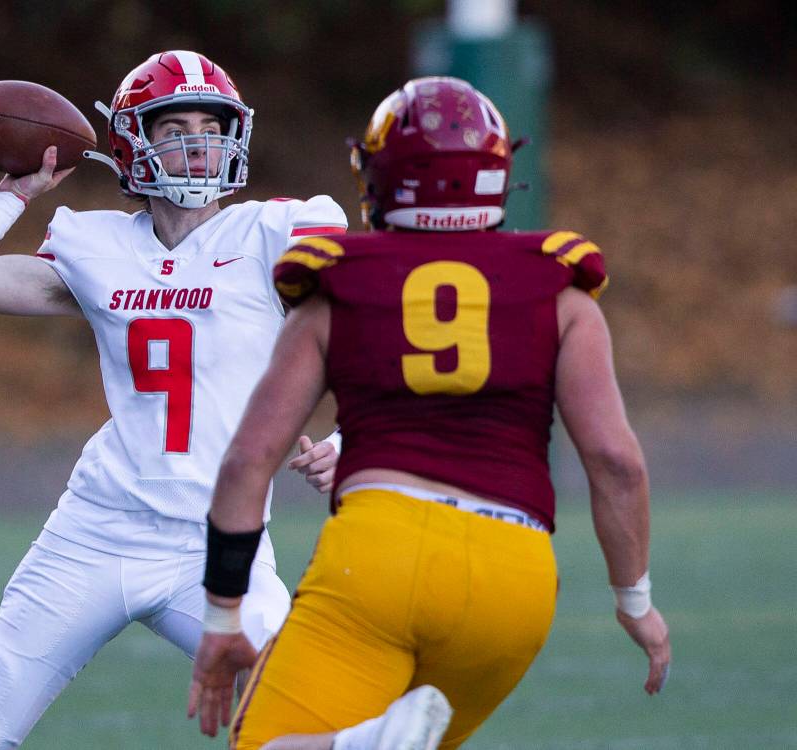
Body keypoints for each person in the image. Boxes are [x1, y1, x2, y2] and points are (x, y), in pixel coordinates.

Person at [187, 76, 672, 749]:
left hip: (383, 554)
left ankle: (359, 743)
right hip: (516, 579)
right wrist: (634, 601)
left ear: (382, 177)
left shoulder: (335, 284)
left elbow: (249, 459)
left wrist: (221, 616)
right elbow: (616, 462)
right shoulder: (560, 290)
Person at [0, 50, 347, 749]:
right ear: (132, 143)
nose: (200, 142)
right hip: (92, 532)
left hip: (216, 544)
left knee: (311, 721)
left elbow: (379, 327)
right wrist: (15, 194)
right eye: (176, 126)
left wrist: (349, 440)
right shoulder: (96, 245)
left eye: (213, 124)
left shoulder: (275, 232)